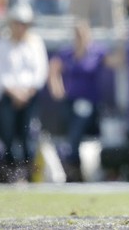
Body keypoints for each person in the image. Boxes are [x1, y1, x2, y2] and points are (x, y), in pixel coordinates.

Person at [47, 20, 123, 182]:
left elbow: (114, 62)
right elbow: (54, 68)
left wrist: (122, 47)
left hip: (89, 102)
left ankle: (73, 165)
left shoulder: (97, 52)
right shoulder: (67, 53)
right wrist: (56, 87)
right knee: (73, 129)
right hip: (70, 102)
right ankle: (73, 164)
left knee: (78, 127)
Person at [0, 4, 48, 183]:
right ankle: (11, 173)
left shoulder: (35, 42)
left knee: (28, 135)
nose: (21, 27)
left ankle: (29, 174)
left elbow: (40, 71)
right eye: (18, 23)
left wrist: (26, 93)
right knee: (8, 135)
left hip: (29, 96)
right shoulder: (1, 43)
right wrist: (14, 93)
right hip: (8, 96)